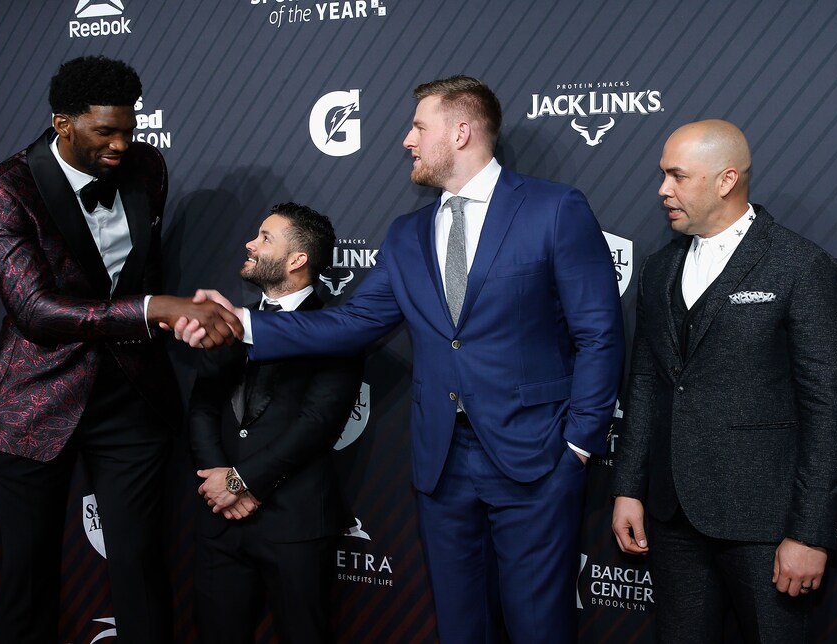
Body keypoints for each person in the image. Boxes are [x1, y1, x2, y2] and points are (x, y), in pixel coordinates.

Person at [176, 75, 624, 643]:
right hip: (441, 463)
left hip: (536, 455)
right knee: (460, 626)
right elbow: (352, 323)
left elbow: (600, 334)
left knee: (540, 626)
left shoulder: (554, 208)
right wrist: (239, 322)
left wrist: (580, 444)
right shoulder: (408, 233)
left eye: (418, 126)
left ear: (461, 131)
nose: (407, 140)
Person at [0, 55, 241, 643]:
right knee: (28, 582)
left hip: (131, 397)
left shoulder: (147, 168)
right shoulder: (1, 191)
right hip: (35, 404)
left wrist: (177, 319)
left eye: (128, 128)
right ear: (63, 123)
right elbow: (35, 311)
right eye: (104, 132)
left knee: (142, 569)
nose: (121, 144)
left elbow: (139, 268)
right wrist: (155, 308)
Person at [610, 120, 837, 643]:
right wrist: (629, 488)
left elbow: (827, 409)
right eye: (663, 175)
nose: (662, 190)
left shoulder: (801, 267)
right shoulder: (658, 269)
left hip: (767, 525)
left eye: (677, 176)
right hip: (672, 517)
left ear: (725, 180)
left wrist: (809, 532)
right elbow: (648, 383)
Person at [189, 202, 362, 643]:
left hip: (295, 524)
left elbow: (318, 422)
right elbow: (203, 406)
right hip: (221, 522)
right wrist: (219, 484)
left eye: (265, 237)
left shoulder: (337, 328)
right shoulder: (231, 322)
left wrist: (241, 483)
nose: (250, 242)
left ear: (297, 260)